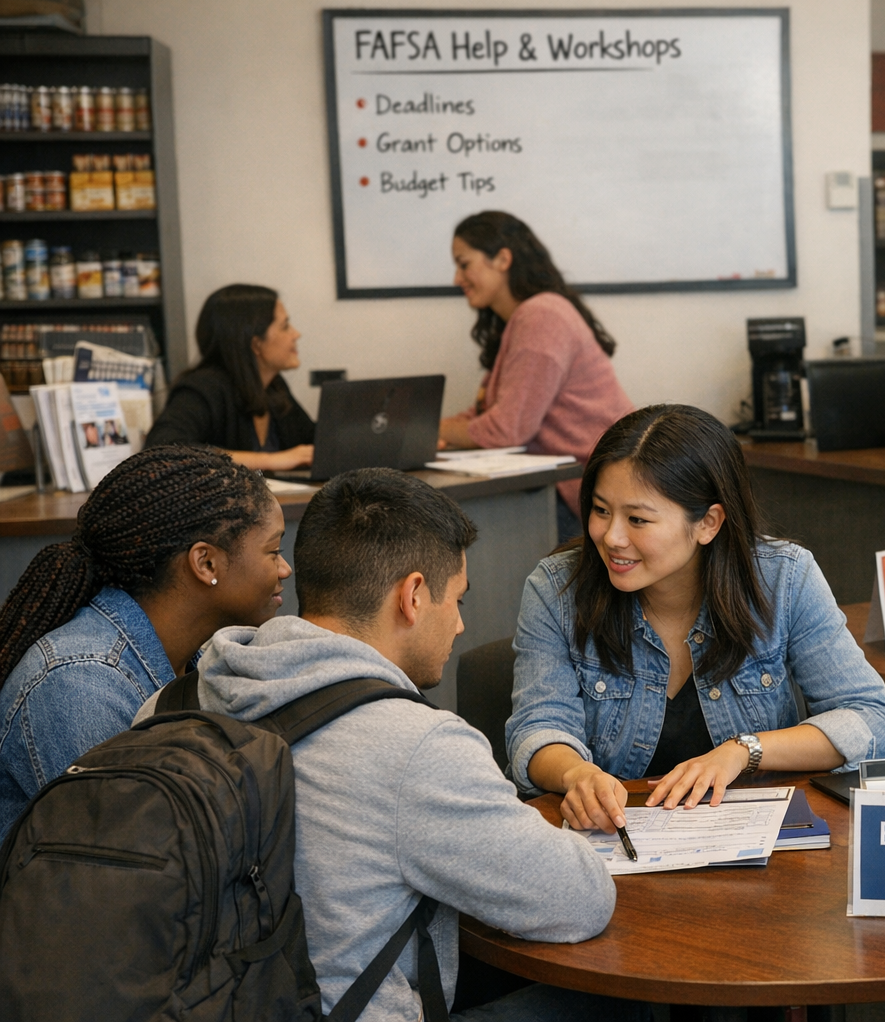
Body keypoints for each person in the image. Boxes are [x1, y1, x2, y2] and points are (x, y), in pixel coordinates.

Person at [134, 468, 640, 1022]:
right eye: (459, 602)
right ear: (414, 596)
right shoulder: (416, 746)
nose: (460, 628)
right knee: (619, 1010)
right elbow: (580, 902)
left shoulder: (171, 702)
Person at [506, 404, 885, 831]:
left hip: (757, 846)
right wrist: (576, 774)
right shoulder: (557, 588)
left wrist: (743, 751)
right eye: (601, 510)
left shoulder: (783, 577)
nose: (611, 537)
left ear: (708, 523)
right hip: (616, 844)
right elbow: (537, 729)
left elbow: (872, 719)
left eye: (637, 519)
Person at [0, 445, 289, 835]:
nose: (285, 569)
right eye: (273, 550)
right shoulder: (79, 685)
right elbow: (129, 862)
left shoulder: (200, 653)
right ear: (205, 563)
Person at [439, 212, 636, 542]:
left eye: (464, 264)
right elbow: (485, 414)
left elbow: (507, 430)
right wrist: (427, 433)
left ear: (502, 259)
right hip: (578, 485)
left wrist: (430, 430)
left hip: (593, 490)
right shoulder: (522, 319)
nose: (457, 278)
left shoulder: (541, 314)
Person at [146, 284, 316, 471]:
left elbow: (314, 442)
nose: (296, 334)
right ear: (256, 344)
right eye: (285, 326)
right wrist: (270, 460)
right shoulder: (204, 388)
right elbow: (163, 451)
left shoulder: (274, 386)